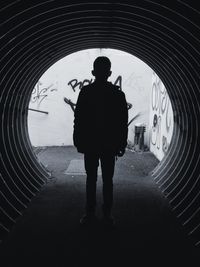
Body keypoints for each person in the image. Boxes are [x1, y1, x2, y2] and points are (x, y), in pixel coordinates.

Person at [73, 56, 128, 226]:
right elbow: (122, 122)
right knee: (107, 180)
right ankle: (107, 214)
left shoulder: (86, 92)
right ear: (110, 73)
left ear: (93, 72)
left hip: (90, 143)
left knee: (91, 179)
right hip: (109, 144)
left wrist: (78, 140)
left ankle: (89, 214)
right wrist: (122, 143)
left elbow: (79, 118)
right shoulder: (118, 94)